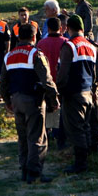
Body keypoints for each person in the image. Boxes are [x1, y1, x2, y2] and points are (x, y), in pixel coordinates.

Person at [0, 24, 59, 184]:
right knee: (37, 137)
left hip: (16, 100)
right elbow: (47, 81)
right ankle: (35, 173)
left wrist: (7, 101)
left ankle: (24, 170)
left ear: (18, 37)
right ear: (34, 37)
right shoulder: (35, 54)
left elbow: (3, 82)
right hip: (33, 100)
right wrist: (54, 101)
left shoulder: (9, 56)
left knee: (22, 137)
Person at [56, 15, 98, 173]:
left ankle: (81, 164)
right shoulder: (92, 47)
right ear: (82, 28)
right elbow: (97, 74)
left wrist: (59, 92)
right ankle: (91, 156)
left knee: (76, 129)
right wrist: (95, 91)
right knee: (88, 126)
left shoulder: (69, 46)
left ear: (68, 28)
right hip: (89, 93)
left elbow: (62, 74)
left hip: (73, 94)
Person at [36, 17, 69, 149]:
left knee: (49, 108)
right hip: (62, 81)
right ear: (61, 28)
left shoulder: (41, 44)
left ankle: (48, 134)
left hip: (47, 81)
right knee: (61, 109)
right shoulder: (66, 42)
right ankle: (60, 135)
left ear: (48, 28)